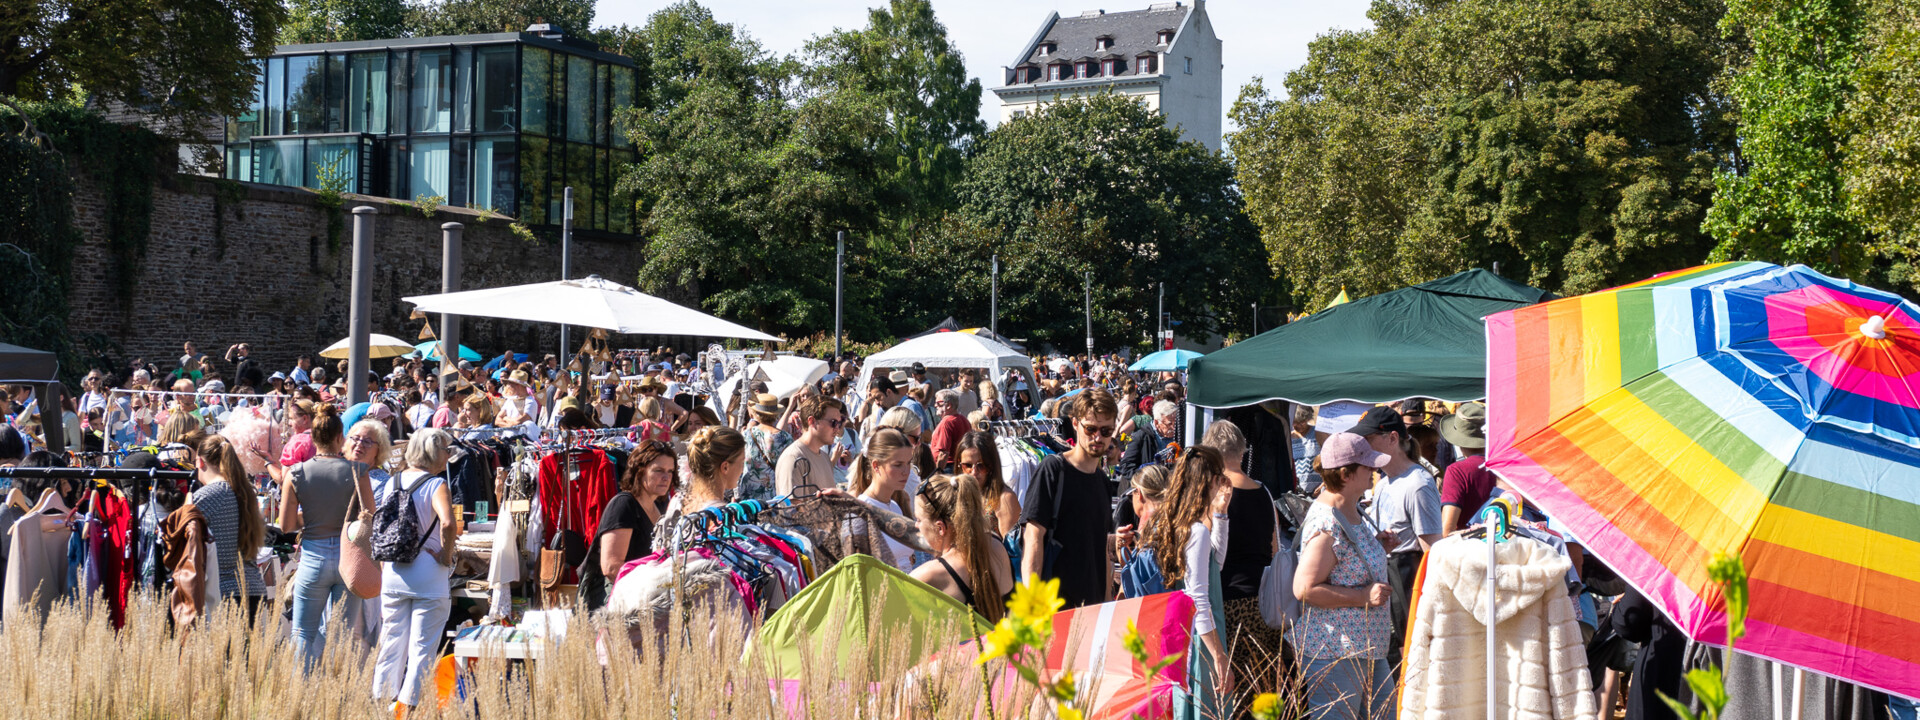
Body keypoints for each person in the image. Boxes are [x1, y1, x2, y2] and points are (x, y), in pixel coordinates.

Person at [1293, 432, 1394, 720]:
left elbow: (1346, 562)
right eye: (1368, 466)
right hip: (1336, 652)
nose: (1374, 471)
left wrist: (1378, 546)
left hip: (1361, 649)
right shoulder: (1327, 521)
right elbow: (1305, 589)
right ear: (1346, 474)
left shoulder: (1350, 507)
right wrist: (1363, 596)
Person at [280, 406, 380, 666]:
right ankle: (335, 691)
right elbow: (370, 515)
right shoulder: (358, 471)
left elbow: (286, 525)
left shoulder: (296, 473)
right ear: (340, 438)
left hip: (313, 557)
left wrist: (312, 517)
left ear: (313, 439)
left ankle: (300, 689)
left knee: (302, 632)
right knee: (342, 635)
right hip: (349, 561)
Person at [1139, 445, 1235, 707]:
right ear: (1212, 480)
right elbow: (1199, 599)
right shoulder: (1195, 530)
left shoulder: (1172, 524)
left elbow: (1215, 564)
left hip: (1182, 634)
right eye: (1221, 478)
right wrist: (1218, 656)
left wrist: (1220, 513)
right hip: (1200, 640)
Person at [370, 428, 457, 713]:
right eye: (446, 449)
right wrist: (445, 555)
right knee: (422, 647)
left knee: (391, 641)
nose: (448, 455)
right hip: (428, 574)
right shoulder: (436, 485)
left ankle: (381, 702)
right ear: (434, 452)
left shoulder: (392, 481)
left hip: (394, 570)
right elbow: (447, 523)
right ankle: (408, 708)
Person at [1201, 420, 1285, 707]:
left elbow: (1206, 552)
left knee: (1233, 694)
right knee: (1264, 689)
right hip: (1264, 602)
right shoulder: (1264, 492)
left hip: (1228, 603)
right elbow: (1275, 549)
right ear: (1242, 451)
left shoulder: (1214, 493)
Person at [1353, 404, 1440, 675]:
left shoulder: (1418, 484)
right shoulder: (1383, 482)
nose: (1362, 448)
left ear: (1392, 439)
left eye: (1368, 441)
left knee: (1409, 667)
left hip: (1408, 584)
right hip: (1387, 583)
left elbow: (1432, 550)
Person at [1021, 388, 1123, 609]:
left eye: (1106, 431)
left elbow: (1104, 549)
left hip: (1092, 608)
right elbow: (1033, 537)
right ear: (1075, 424)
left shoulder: (1103, 481)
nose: (1098, 437)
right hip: (1054, 607)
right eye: (1091, 428)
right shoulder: (1054, 469)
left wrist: (1105, 604)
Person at [910, 473, 1014, 622]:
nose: (916, 525)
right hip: (1005, 643)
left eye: (919, 519)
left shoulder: (926, 576)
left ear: (940, 528)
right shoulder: (995, 544)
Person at [190, 433, 269, 617]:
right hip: (253, 587)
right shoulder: (244, 490)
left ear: (200, 462)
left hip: (225, 592)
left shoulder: (208, 496)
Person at [591, 440, 677, 606]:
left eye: (670, 471)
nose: (666, 477)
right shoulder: (624, 505)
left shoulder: (659, 505)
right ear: (640, 471)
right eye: (658, 470)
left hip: (648, 600)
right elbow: (611, 568)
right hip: (623, 603)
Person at [652, 427, 747, 553]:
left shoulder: (678, 500)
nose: (742, 470)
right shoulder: (722, 516)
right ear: (725, 467)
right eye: (741, 462)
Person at [849, 428, 917, 571]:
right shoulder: (860, 513)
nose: (906, 471)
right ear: (876, 466)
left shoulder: (895, 506)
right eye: (897, 465)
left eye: (908, 463)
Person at [1437, 402, 1496, 534]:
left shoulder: (1457, 471)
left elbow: (1447, 531)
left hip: (1469, 551)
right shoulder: (1506, 466)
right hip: (1508, 550)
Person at [774, 395, 844, 496]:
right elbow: (791, 508)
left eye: (839, 423)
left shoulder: (824, 457)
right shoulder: (793, 458)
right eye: (833, 423)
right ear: (812, 421)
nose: (837, 428)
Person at [955, 430, 1021, 536]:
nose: (974, 472)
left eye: (981, 465)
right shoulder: (957, 494)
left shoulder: (1004, 498)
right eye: (967, 465)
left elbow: (1011, 550)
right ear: (959, 465)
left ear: (991, 465)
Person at [738, 393, 791, 503]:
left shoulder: (746, 435)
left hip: (749, 496)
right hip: (775, 495)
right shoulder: (786, 438)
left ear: (755, 413)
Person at [1118, 400, 1179, 483]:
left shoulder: (1179, 436)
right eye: (1170, 423)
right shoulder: (1140, 437)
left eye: (1176, 423)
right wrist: (1145, 480)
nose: (1173, 428)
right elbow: (1126, 466)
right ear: (1157, 422)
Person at [928, 389, 971, 473]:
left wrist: (938, 472)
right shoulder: (963, 419)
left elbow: (943, 453)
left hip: (947, 468)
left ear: (948, 405)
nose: (935, 405)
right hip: (959, 466)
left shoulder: (947, 422)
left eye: (939, 403)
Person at [280, 399, 318, 468]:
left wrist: (268, 461)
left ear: (305, 419)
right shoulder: (326, 436)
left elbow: (284, 476)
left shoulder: (298, 442)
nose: (289, 423)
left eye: (292, 419)